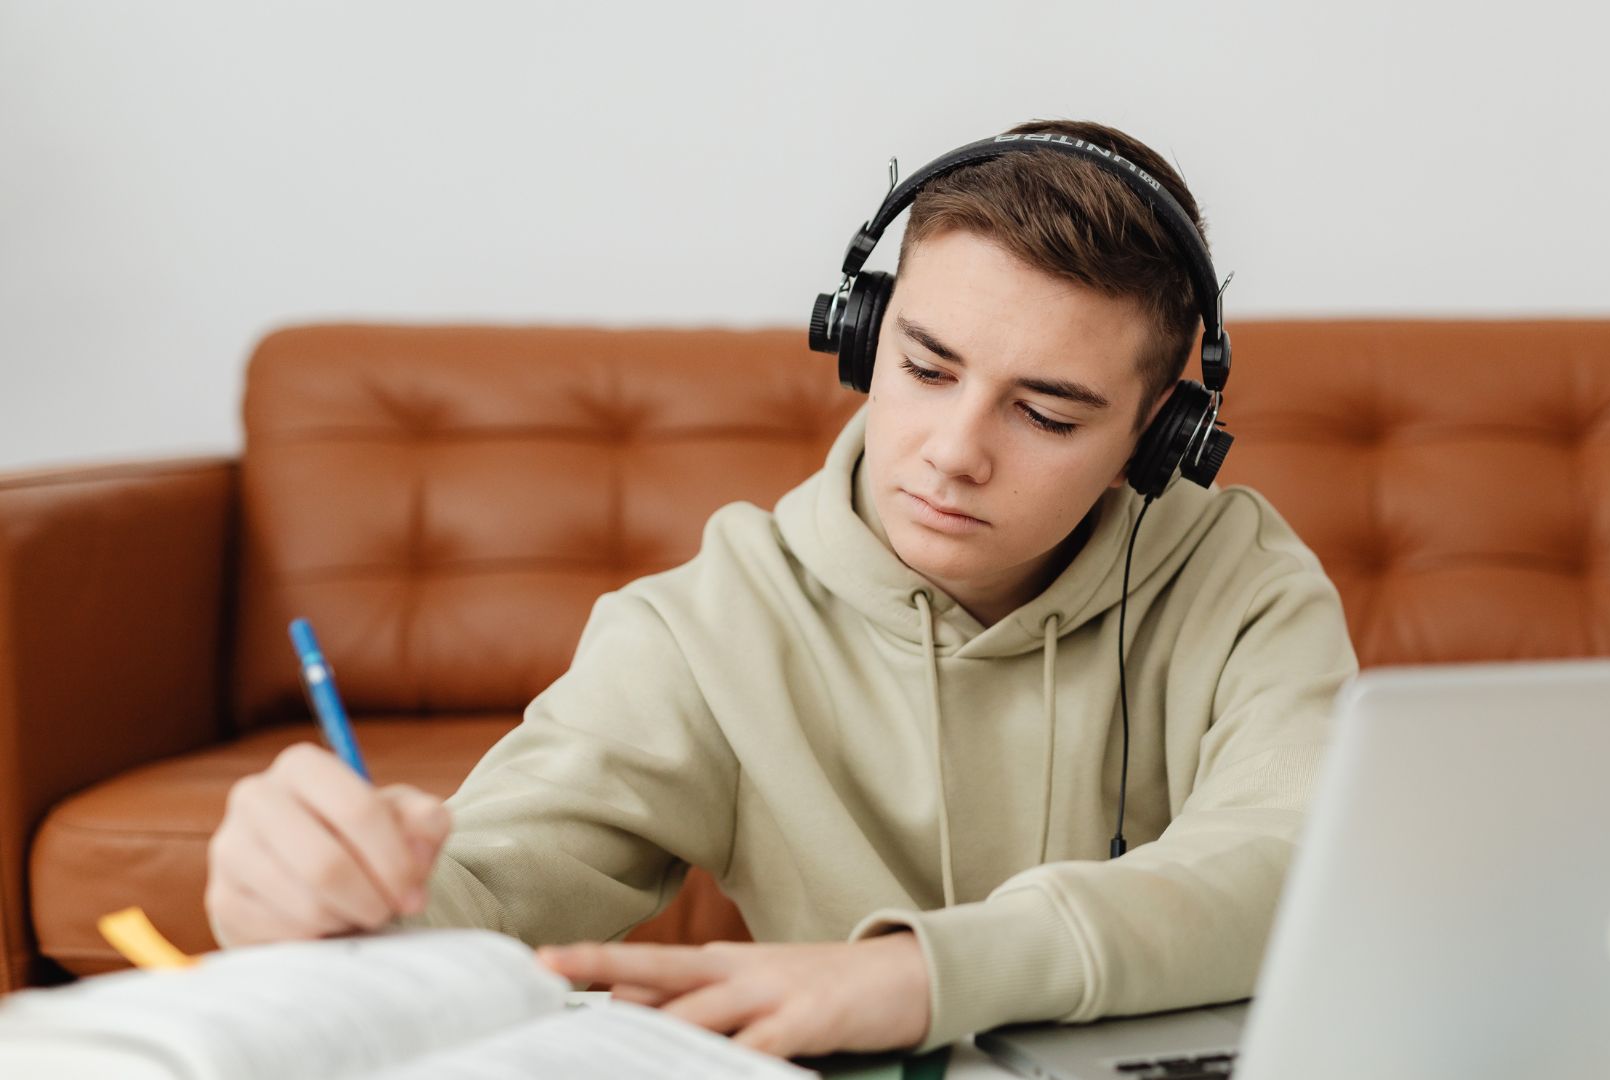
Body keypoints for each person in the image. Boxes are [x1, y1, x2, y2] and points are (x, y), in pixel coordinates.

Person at [203, 117, 1360, 1060]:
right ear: (859, 337)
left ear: (1162, 435)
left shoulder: (1247, 584)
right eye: (923, 366)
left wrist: (918, 975)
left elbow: (1297, 860)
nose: (953, 451)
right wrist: (326, 901)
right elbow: (488, 884)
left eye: (1047, 413)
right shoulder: (709, 623)